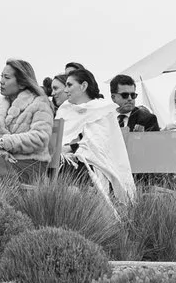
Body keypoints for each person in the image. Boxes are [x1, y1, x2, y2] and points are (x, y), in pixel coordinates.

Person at [50, 66, 136, 204]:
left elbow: (98, 145)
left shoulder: (101, 110)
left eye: (69, 85)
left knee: (61, 166)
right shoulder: (65, 109)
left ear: (83, 86)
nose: (65, 90)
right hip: (61, 160)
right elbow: (55, 140)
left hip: (91, 165)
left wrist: (70, 149)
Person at [0, 60, 57, 184]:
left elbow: (40, 137)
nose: (1, 81)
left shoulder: (39, 103)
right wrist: (1, 151)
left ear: (22, 83)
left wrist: (3, 143)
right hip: (1, 161)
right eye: (1, 76)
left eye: (7, 77)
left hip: (29, 165)